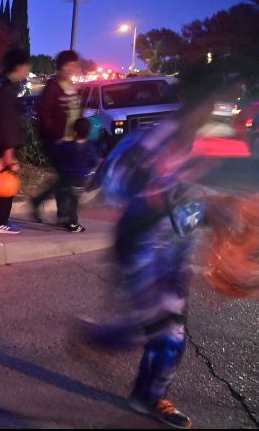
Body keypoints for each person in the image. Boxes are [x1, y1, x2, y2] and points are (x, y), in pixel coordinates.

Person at [80, 63, 235, 430]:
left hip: (173, 256)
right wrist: (163, 196)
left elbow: (189, 206)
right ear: (188, 101)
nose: (208, 111)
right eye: (205, 103)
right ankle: (101, 338)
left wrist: (214, 217)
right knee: (152, 329)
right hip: (141, 252)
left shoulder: (197, 147)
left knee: (171, 333)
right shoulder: (152, 140)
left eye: (212, 104)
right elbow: (112, 182)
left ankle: (146, 396)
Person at [30, 50, 81, 226]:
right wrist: (54, 136)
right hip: (56, 140)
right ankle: (64, 215)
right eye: (69, 65)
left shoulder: (71, 85)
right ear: (61, 66)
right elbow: (44, 113)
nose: (72, 68)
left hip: (70, 140)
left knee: (65, 177)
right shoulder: (53, 85)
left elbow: (75, 110)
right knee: (66, 177)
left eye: (74, 65)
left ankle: (56, 210)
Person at [0, 48, 31, 235]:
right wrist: (8, 154)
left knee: (3, 183)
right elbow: (7, 124)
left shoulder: (6, 88)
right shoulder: (8, 92)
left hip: (1, 144)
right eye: (27, 67)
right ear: (18, 67)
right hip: (4, 146)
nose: (27, 71)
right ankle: (0, 221)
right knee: (7, 184)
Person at [52, 117, 100, 233]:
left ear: (74, 132)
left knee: (61, 194)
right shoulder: (89, 148)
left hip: (66, 177)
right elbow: (93, 162)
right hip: (80, 180)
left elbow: (56, 153)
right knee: (74, 201)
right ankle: (73, 223)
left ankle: (63, 217)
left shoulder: (66, 145)